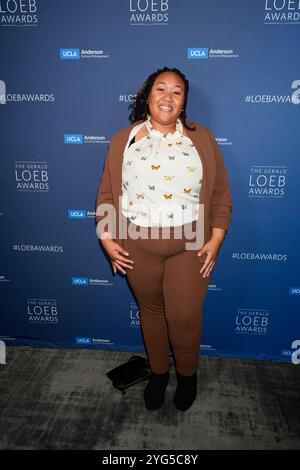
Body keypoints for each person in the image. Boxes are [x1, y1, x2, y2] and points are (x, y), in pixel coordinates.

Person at [95, 67, 232, 412]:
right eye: (161, 89)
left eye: (177, 91)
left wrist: (215, 239)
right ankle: (158, 373)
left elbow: (220, 195)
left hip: (191, 244)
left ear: (184, 101)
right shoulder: (122, 140)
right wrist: (107, 237)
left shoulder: (202, 138)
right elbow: (108, 194)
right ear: (147, 95)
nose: (168, 97)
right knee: (152, 312)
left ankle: (187, 377)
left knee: (184, 316)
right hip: (137, 245)